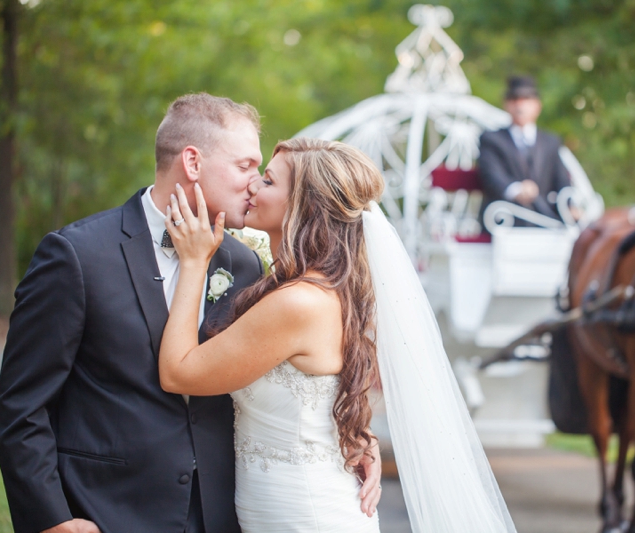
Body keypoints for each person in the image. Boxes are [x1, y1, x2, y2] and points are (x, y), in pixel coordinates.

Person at [0, 94, 382, 533]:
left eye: (262, 173)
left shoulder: (245, 264)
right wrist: (52, 519)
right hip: (108, 511)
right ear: (193, 163)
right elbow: (21, 404)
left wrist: (352, 437)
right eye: (245, 166)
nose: (254, 183)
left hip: (226, 514)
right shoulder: (78, 257)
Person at [158, 137, 518, 533]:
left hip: (304, 513)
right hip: (280, 504)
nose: (253, 188)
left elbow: (179, 374)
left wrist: (194, 264)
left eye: (269, 182)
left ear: (304, 205)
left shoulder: (299, 303)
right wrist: (354, 434)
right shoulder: (325, 289)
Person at [477, 75, 572, 227]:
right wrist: (516, 190)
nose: (520, 105)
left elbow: (561, 180)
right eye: (514, 99)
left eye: (526, 99)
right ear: (506, 104)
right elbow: (491, 176)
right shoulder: (491, 139)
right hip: (503, 222)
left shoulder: (551, 142)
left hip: (545, 222)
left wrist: (570, 206)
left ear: (537, 106)